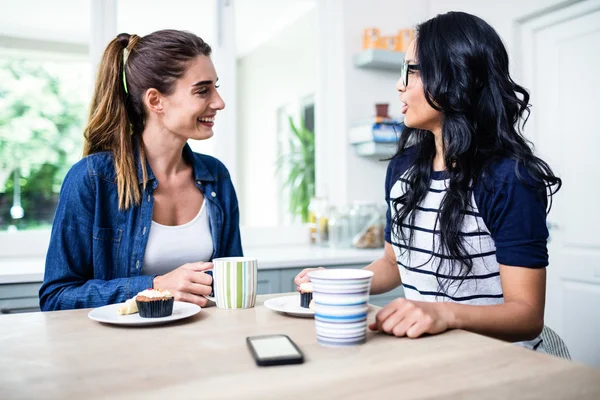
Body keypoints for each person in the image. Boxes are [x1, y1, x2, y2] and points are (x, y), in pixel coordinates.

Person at [295, 12, 561, 351]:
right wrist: (337, 280)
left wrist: (444, 314)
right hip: (431, 356)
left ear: (453, 76)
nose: (399, 84)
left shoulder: (508, 179)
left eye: (410, 69)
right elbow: (393, 264)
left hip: (500, 365)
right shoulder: (403, 169)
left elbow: (526, 315)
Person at [40, 29, 242, 311]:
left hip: (203, 344)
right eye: (202, 90)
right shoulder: (92, 179)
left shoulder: (216, 177)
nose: (219, 102)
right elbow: (56, 298)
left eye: (216, 87)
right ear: (156, 100)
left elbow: (230, 287)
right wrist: (155, 286)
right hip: (121, 350)